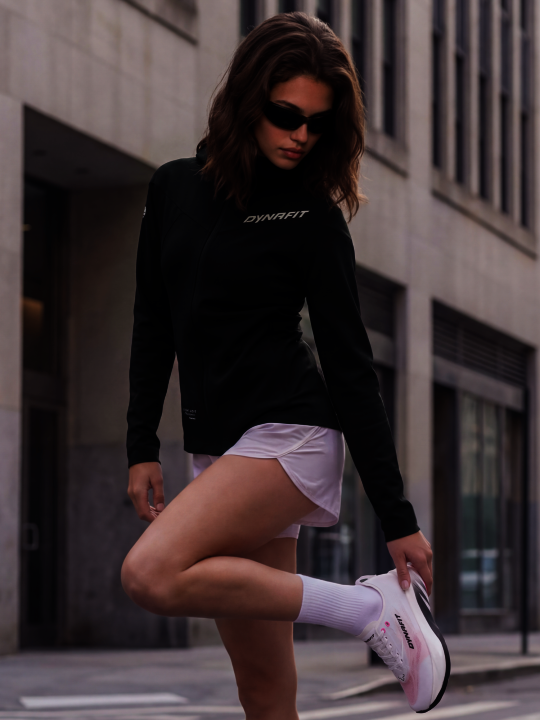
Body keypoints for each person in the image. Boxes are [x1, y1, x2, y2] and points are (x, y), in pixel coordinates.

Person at [121, 11, 449, 719]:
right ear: (248, 100)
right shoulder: (173, 189)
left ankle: (370, 611)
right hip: (219, 450)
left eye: (317, 123)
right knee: (265, 693)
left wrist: (397, 518)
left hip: (290, 438)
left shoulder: (311, 217)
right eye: (285, 114)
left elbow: (351, 368)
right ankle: (367, 613)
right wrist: (140, 443)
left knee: (149, 572)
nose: (301, 134)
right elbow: (153, 322)